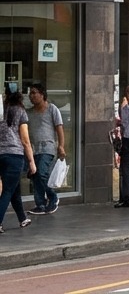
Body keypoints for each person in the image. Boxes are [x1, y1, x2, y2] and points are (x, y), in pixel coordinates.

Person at [26, 83, 64, 215]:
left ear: (42, 95)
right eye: (30, 93)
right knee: (36, 175)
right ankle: (40, 204)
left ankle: (53, 197)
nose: (31, 96)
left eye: (34, 93)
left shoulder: (52, 109)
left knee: (42, 173)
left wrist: (61, 146)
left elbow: (59, 128)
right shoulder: (29, 113)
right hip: (34, 148)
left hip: (48, 147)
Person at [0, 91, 35, 231]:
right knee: (7, 191)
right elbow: (25, 140)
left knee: (14, 189)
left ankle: (22, 218)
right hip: (14, 155)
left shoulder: (1, 111)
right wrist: (31, 161)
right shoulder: (20, 111)